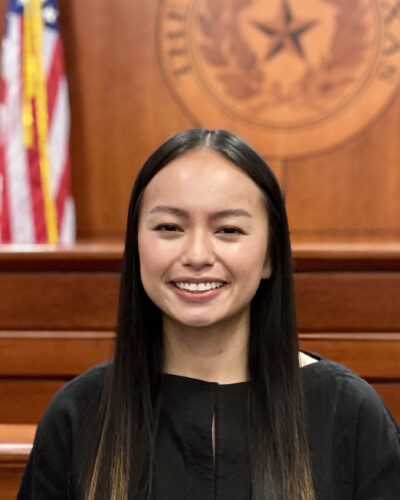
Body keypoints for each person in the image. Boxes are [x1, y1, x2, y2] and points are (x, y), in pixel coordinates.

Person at [18, 129, 400, 500]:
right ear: (136, 246)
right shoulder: (80, 413)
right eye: (169, 227)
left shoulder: (348, 411)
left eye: (228, 229)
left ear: (270, 255)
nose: (197, 255)